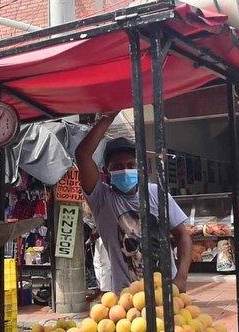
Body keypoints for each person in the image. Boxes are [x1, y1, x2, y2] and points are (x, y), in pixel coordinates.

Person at [76, 112, 192, 293]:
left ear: (140, 168)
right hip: (127, 298)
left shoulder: (157, 194)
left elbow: (183, 236)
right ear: (107, 171)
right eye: (118, 166)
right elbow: (82, 155)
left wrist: (181, 277)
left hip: (167, 291)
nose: (125, 169)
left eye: (131, 165)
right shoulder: (102, 199)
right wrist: (110, 115)